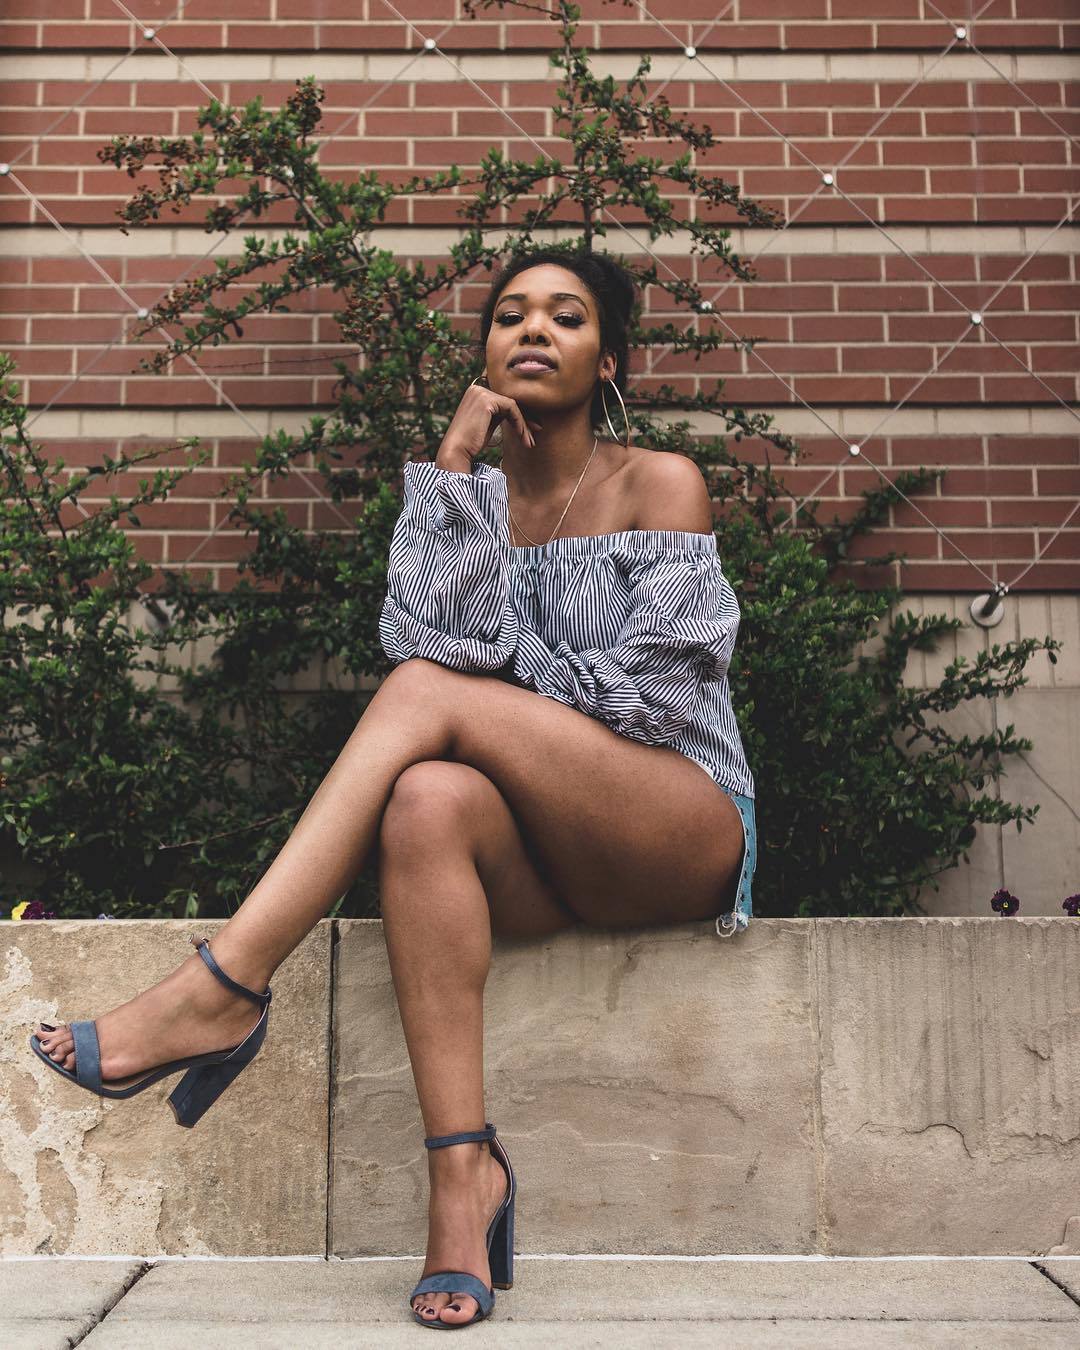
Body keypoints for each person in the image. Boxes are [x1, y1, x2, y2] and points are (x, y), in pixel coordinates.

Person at [30, 248, 757, 1329]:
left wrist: (487, 687)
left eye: (566, 316)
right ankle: (463, 1183)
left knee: (429, 702)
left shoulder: (661, 483)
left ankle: (222, 988)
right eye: (509, 315)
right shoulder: (463, 492)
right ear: (484, 351)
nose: (532, 330)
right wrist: (456, 470)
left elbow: (652, 699)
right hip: (549, 858)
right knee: (422, 800)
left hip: (674, 818)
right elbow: (424, 648)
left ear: (610, 360)